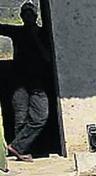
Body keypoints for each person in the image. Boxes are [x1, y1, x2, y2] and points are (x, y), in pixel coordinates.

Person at [1, 1, 52, 162]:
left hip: (37, 82)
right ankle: (21, 150)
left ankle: (18, 146)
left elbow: (48, 57)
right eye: (25, 14)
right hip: (19, 81)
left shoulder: (44, 33)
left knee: (40, 116)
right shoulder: (18, 32)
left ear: (35, 16)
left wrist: (34, 37)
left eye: (30, 14)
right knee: (21, 117)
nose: (28, 17)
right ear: (22, 17)